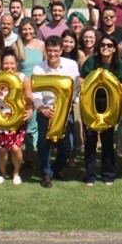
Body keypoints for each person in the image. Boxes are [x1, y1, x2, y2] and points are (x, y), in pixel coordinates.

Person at [79, 33, 122, 186]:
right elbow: (80, 78)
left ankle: (108, 174)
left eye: (109, 46)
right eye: (103, 45)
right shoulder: (92, 61)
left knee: (107, 140)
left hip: (110, 104)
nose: (106, 48)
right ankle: (90, 175)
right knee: (90, 139)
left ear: (114, 49)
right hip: (91, 103)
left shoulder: (119, 65)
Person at [32, 39, 78, 187]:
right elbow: (35, 93)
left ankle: (56, 169)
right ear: (46, 50)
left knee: (68, 146)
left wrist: (72, 102)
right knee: (43, 144)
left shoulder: (71, 65)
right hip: (46, 109)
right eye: (49, 51)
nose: (52, 54)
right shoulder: (38, 69)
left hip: (65, 111)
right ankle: (46, 174)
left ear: (61, 50)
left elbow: (76, 88)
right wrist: (42, 109)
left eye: (55, 51)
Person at [0, 48, 33, 185]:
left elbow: (29, 98)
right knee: (2, 148)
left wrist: (30, 110)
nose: (9, 66)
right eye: (6, 63)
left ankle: (16, 172)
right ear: (1, 64)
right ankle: (2, 173)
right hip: (0, 119)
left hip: (17, 119)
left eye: (12, 63)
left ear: (16, 64)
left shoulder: (23, 78)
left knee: (15, 148)